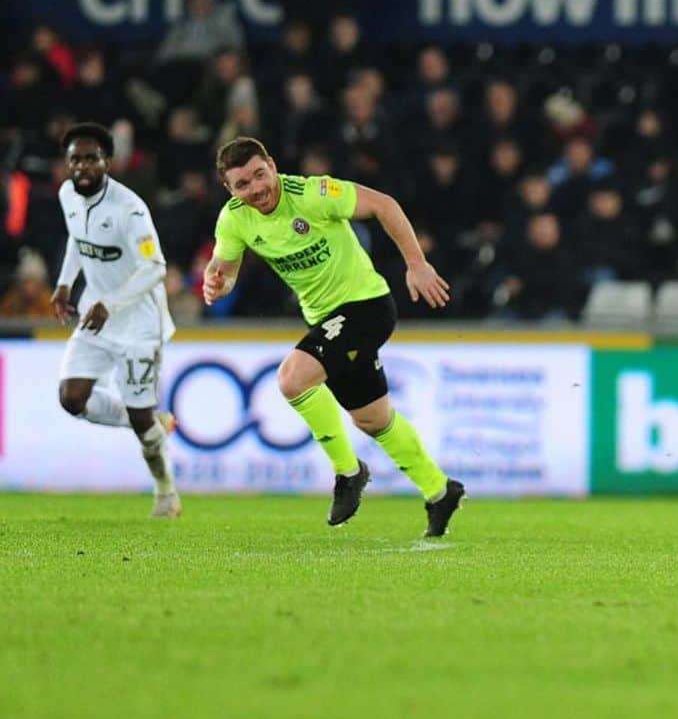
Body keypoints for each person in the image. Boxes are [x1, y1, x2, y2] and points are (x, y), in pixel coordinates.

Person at [202, 137, 464, 535]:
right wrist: (217, 281)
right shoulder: (234, 219)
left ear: (272, 165)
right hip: (326, 321)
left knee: (292, 378)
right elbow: (227, 267)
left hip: (367, 306)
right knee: (373, 420)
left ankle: (348, 472)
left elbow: (383, 205)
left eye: (260, 174)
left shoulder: (311, 193)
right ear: (230, 189)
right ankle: (439, 490)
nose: (256, 188)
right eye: (243, 184)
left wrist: (417, 264)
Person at [50, 123, 180, 518]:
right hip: (96, 316)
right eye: (76, 159)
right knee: (72, 399)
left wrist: (111, 301)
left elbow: (155, 267)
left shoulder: (129, 209)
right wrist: (64, 284)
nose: (83, 166)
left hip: (139, 323)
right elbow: (78, 236)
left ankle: (166, 492)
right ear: (67, 163)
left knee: (143, 423)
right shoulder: (67, 194)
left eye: (91, 158)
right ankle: (149, 419)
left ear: (108, 161)